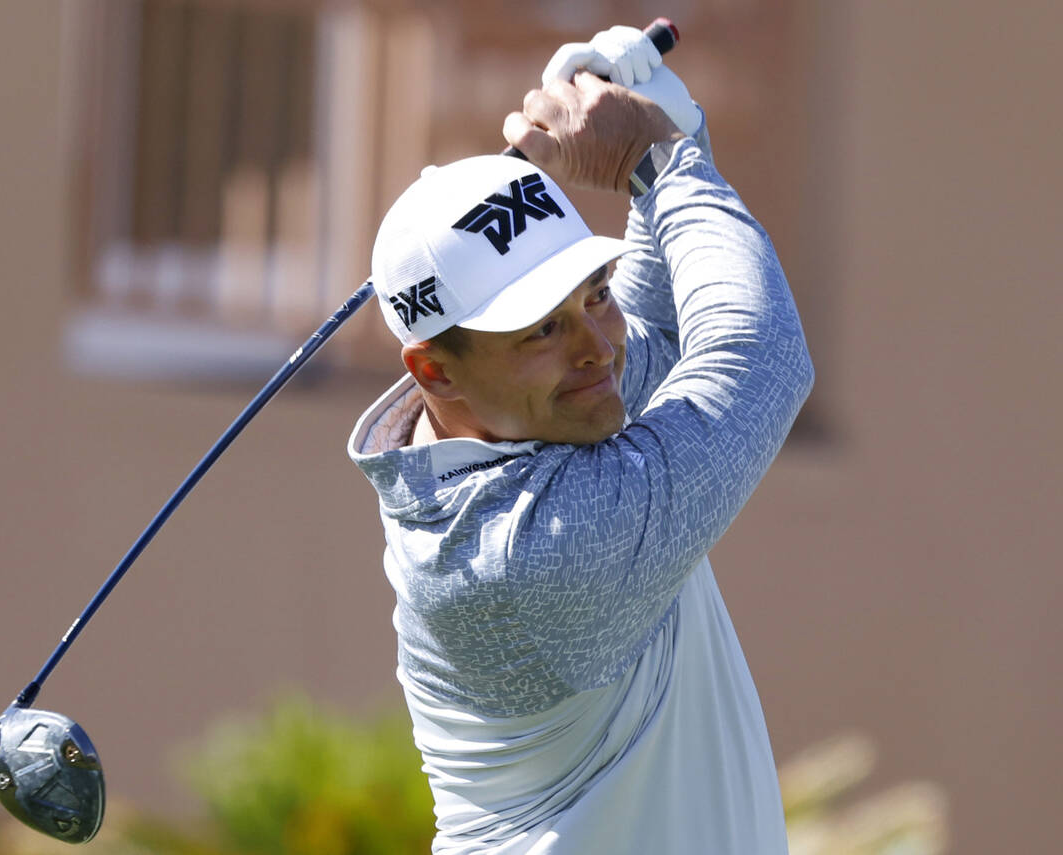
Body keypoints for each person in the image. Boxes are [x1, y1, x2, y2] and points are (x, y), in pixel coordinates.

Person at [347, 25, 813, 855]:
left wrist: (662, 155)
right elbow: (758, 358)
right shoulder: (522, 556)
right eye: (539, 329)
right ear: (436, 370)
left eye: (593, 292)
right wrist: (660, 156)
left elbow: (659, 338)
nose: (596, 343)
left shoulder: (528, 421)